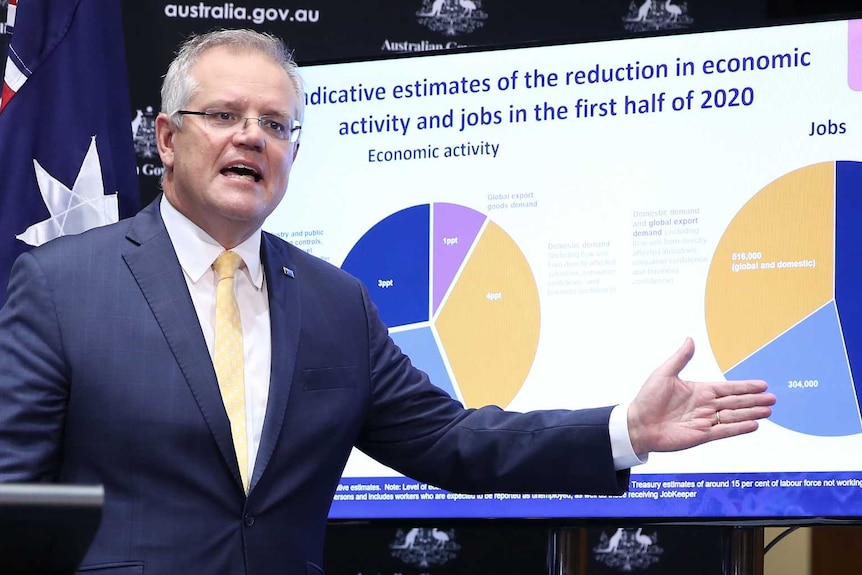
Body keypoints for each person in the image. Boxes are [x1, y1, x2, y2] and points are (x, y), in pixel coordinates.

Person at [0, 29, 775, 575]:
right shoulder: (63, 284)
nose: (253, 137)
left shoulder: (336, 303)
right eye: (226, 115)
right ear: (167, 138)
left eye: (276, 124)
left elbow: (453, 441)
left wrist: (622, 429)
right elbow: (14, 497)